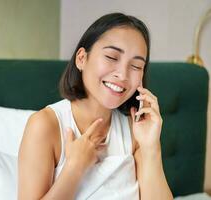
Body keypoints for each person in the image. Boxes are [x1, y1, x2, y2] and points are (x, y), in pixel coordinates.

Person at [18, 12, 173, 200]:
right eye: (112, 57)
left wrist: (151, 148)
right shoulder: (45, 125)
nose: (123, 75)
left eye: (136, 66)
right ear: (82, 58)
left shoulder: (135, 130)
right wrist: (75, 167)